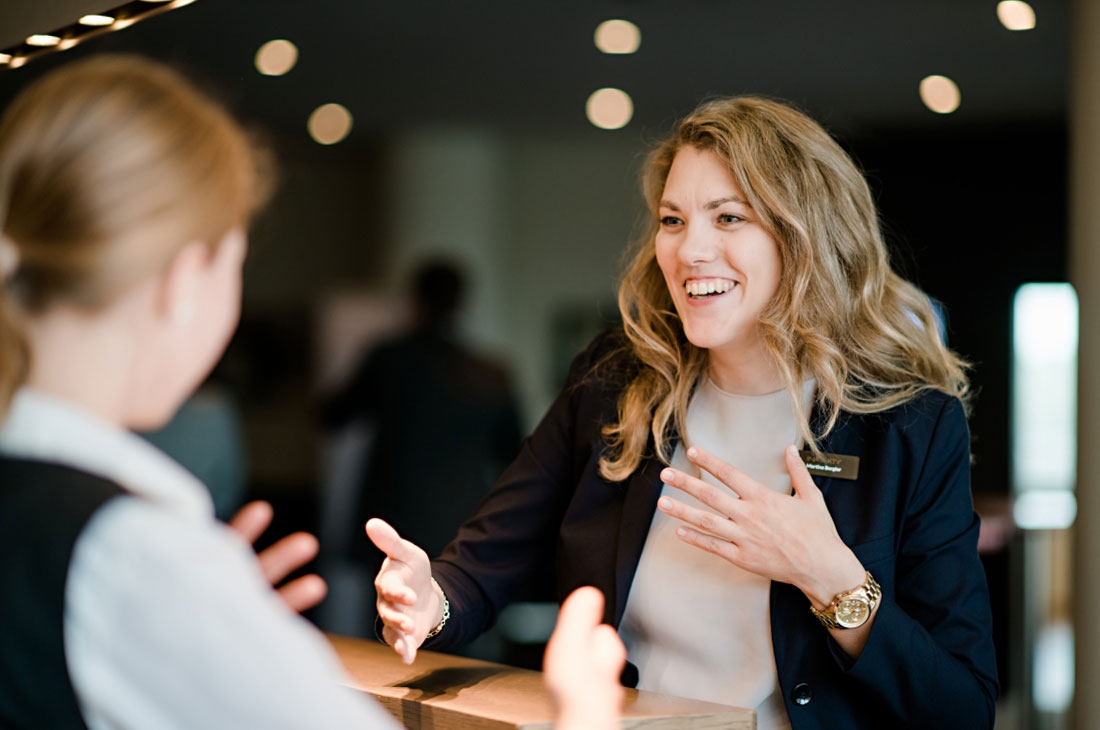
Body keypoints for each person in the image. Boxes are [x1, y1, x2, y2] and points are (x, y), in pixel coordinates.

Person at [0, 55, 623, 730]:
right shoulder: (136, 556)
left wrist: (214, 619)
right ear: (183, 282)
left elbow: (334, 414)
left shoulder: (115, 547)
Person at [370, 96, 999, 730]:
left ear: (806, 235)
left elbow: (961, 708)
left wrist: (830, 578)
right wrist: (431, 601)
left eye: (728, 218)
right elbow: (485, 562)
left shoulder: (911, 426)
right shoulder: (613, 382)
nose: (689, 250)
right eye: (673, 220)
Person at [323, 259, 521, 560]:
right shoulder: (491, 373)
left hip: (394, 520)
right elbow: (511, 453)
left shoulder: (390, 360)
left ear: (416, 299)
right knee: (457, 603)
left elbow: (331, 416)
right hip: (462, 521)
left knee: (386, 602)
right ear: (462, 302)